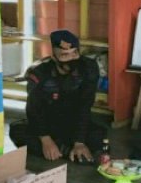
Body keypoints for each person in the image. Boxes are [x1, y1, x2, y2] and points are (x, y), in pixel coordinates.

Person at [9, 29, 105, 163]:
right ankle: (66, 151)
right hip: (48, 122)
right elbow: (34, 109)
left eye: (75, 53)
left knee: (98, 135)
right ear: (54, 57)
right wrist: (45, 139)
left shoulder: (88, 68)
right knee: (17, 133)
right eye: (65, 55)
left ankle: (70, 149)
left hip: (73, 120)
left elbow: (85, 106)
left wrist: (79, 142)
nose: (71, 58)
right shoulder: (39, 72)